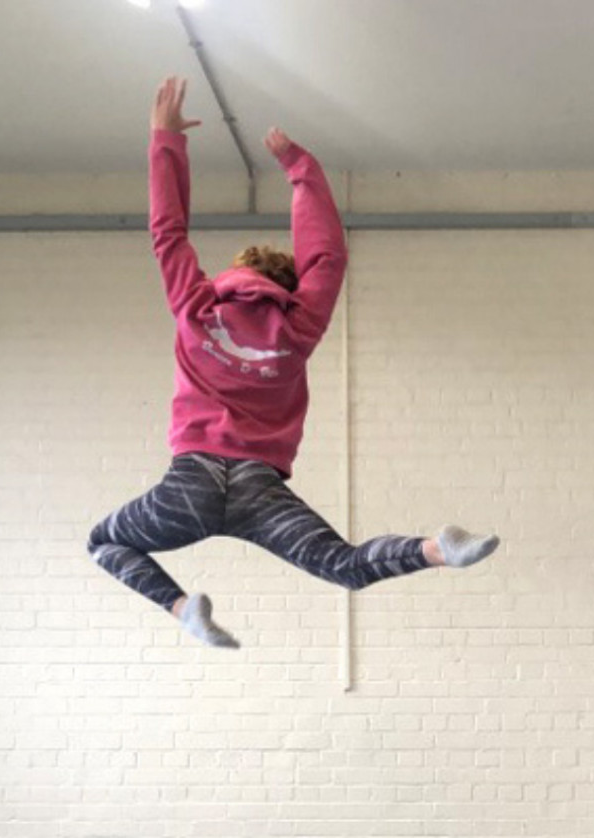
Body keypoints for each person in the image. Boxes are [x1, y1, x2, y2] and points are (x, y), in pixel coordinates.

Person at [87, 77, 499, 648]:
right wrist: (299, 168)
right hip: (260, 487)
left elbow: (168, 233)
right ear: (289, 286)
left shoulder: (196, 305)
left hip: (191, 482)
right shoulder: (299, 324)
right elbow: (326, 257)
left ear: (234, 276)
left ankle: (183, 610)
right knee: (345, 565)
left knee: (105, 542)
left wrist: (165, 141)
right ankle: (438, 549)